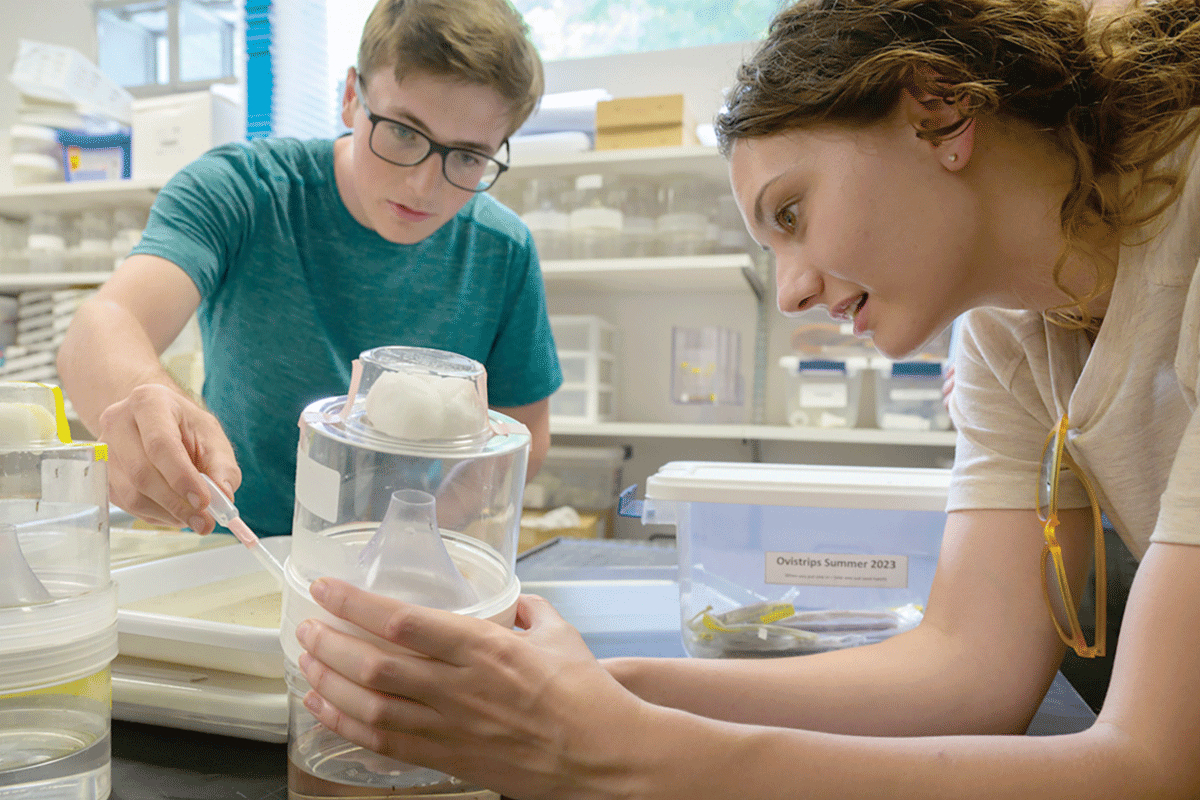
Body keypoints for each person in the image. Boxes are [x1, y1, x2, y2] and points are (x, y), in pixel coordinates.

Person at [291, 0, 1200, 797]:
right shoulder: (1011, 326)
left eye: (791, 214)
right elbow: (969, 671)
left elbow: (1155, 766)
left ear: (939, 109)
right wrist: (600, 690)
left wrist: (627, 758)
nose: (793, 291)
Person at [57, 0, 560, 537]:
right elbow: (102, 324)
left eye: (466, 157)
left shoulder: (501, 248)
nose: (423, 185)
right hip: (241, 547)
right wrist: (144, 401)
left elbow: (525, 427)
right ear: (351, 98)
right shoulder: (243, 191)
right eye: (403, 133)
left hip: (399, 563)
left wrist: (410, 536)